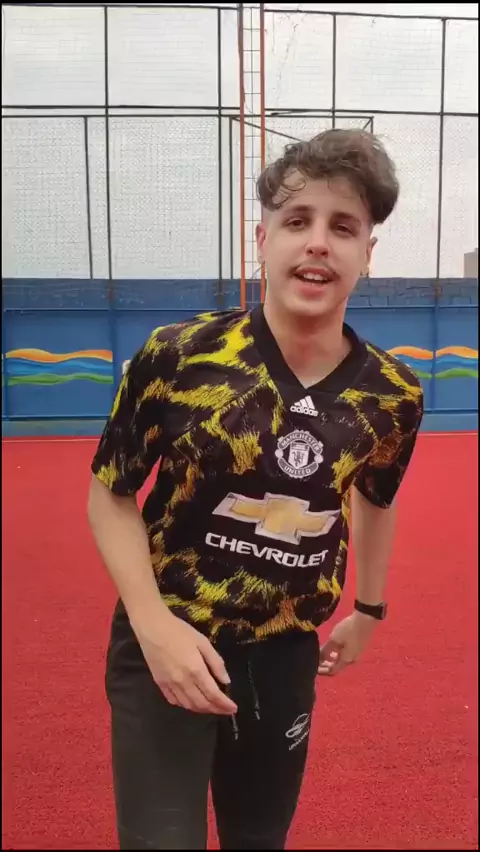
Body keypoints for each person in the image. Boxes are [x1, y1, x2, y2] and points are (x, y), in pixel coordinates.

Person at [88, 128, 423, 850]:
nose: (318, 243)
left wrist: (369, 608)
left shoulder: (393, 395)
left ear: (368, 253)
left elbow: (376, 496)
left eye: (343, 227)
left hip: (283, 653)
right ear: (263, 239)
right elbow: (109, 493)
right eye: (298, 221)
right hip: (167, 642)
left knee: (258, 840)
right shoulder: (178, 357)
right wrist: (152, 625)